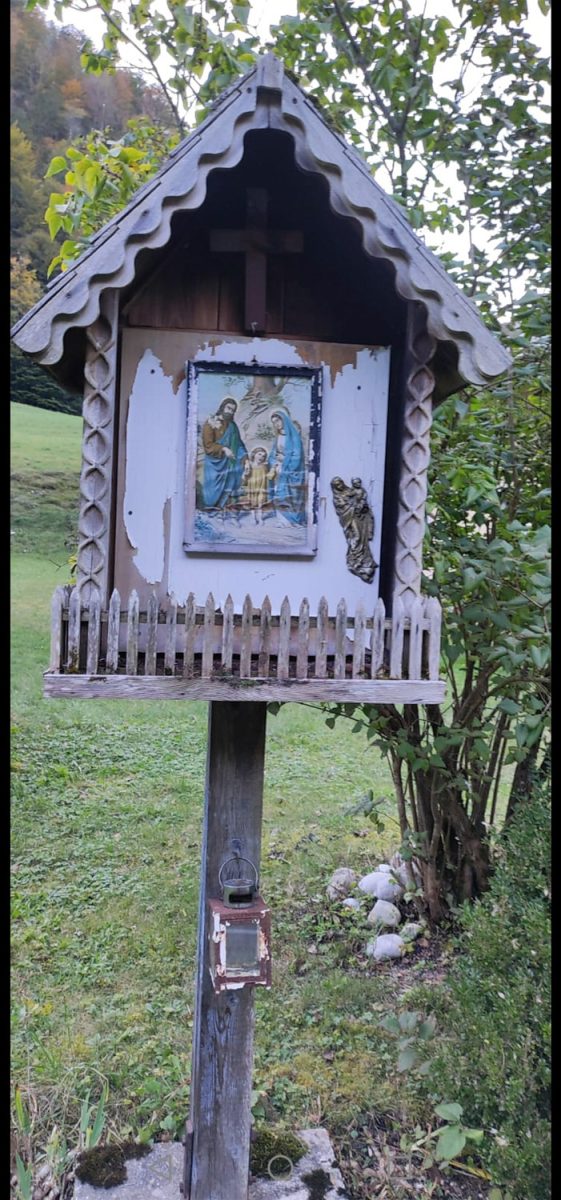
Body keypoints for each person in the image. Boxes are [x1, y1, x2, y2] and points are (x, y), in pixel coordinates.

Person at [201, 397, 247, 512]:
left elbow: (239, 444)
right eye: (228, 408)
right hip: (214, 463)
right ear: (222, 407)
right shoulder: (210, 423)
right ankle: (209, 509)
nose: (230, 412)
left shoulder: (233, 426)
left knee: (229, 483)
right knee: (211, 495)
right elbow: (208, 446)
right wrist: (223, 449)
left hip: (228, 463)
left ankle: (222, 508)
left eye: (233, 410)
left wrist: (245, 458)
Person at [267, 410, 306, 525]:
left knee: (292, 496)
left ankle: (293, 520)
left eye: (278, 420)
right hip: (279, 471)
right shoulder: (278, 437)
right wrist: (274, 463)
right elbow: (273, 454)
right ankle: (282, 520)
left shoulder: (294, 437)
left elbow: (297, 457)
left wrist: (284, 462)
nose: (276, 424)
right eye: (274, 422)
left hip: (290, 472)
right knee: (279, 494)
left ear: (284, 420)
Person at [242, 446, 275, 524]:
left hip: (261, 488)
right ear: (254, 455)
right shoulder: (250, 466)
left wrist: (273, 469)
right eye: (259, 454)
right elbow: (245, 477)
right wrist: (246, 473)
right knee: (252, 503)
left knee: (260, 503)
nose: (261, 457)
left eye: (263, 456)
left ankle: (260, 518)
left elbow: (269, 477)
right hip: (252, 487)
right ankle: (253, 518)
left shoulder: (264, 467)